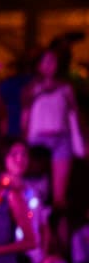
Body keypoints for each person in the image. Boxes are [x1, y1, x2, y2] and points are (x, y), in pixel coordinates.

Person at [23, 47, 82, 212]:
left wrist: (80, 141)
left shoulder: (66, 88)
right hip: (37, 141)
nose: (51, 65)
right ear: (39, 65)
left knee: (59, 196)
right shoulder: (31, 89)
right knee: (34, 191)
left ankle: (59, 231)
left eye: (54, 61)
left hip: (61, 140)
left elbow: (74, 116)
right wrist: (24, 142)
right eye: (46, 61)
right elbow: (25, 117)